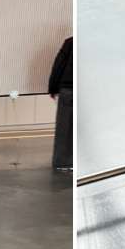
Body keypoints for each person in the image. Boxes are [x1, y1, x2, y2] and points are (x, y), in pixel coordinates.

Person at [49, 36, 73, 171]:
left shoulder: (70, 42)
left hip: (68, 89)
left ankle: (63, 163)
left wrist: (53, 88)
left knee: (65, 128)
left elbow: (58, 65)